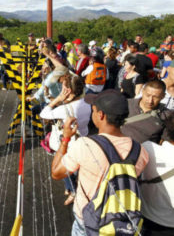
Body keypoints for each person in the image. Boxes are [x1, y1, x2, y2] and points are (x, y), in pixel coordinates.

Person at [51, 89, 149, 236]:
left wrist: (65, 139)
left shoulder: (85, 145)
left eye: (94, 110)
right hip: (119, 220)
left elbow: (57, 173)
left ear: (101, 115)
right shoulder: (140, 150)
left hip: (87, 217)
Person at [40, 76, 91, 206]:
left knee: (66, 169)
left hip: (69, 144)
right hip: (84, 137)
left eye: (63, 87)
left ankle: (73, 191)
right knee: (79, 169)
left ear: (67, 90)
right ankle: (75, 189)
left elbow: (43, 114)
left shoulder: (65, 109)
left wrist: (58, 99)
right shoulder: (88, 102)